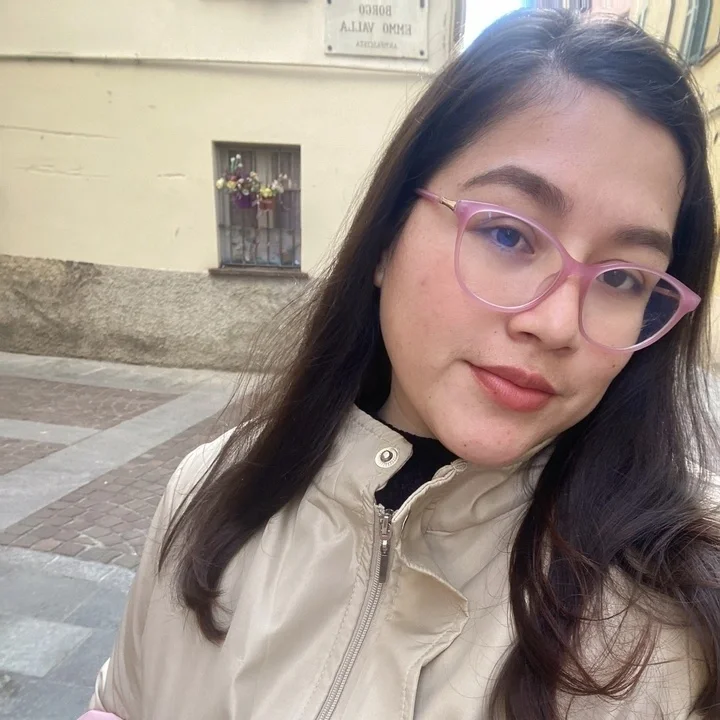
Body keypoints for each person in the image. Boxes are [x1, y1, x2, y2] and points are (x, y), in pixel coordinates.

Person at [87, 8, 720, 719]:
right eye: (508, 235)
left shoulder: (678, 632)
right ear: (388, 236)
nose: (554, 324)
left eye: (622, 278)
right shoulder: (210, 492)